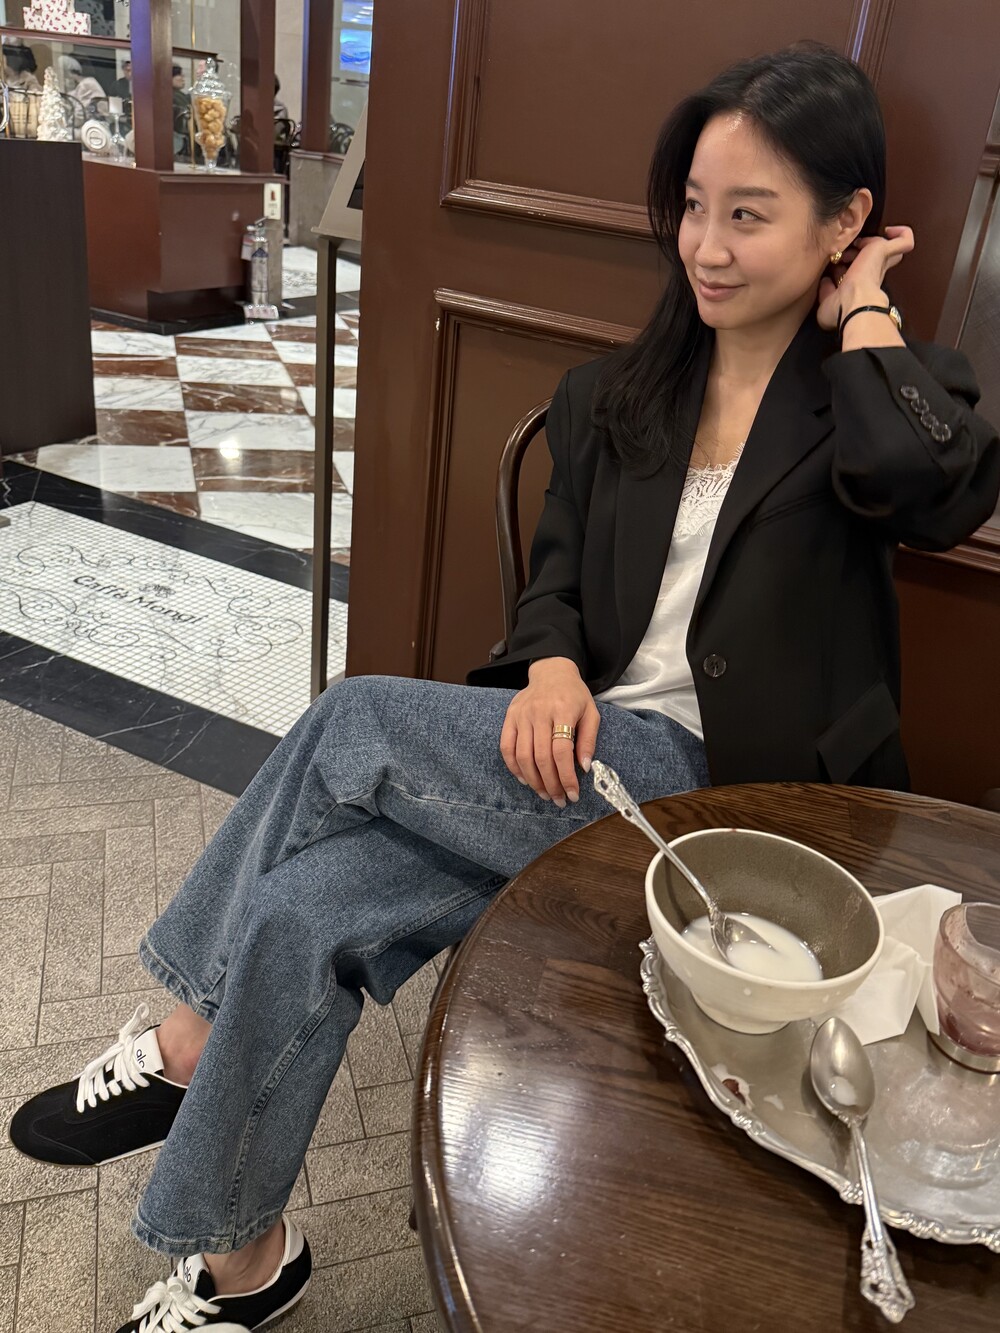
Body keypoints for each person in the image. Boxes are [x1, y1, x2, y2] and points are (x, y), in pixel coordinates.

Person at [9, 41, 999, 1333]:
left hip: (737, 801)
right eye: (693, 206)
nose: (705, 246)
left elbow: (935, 490)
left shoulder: (869, 406)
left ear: (845, 219)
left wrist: (864, 308)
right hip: (577, 765)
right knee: (303, 907)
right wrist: (549, 665)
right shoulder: (616, 397)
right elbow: (555, 584)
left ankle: (183, 1040)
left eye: (749, 215)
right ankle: (246, 1261)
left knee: (353, 716)